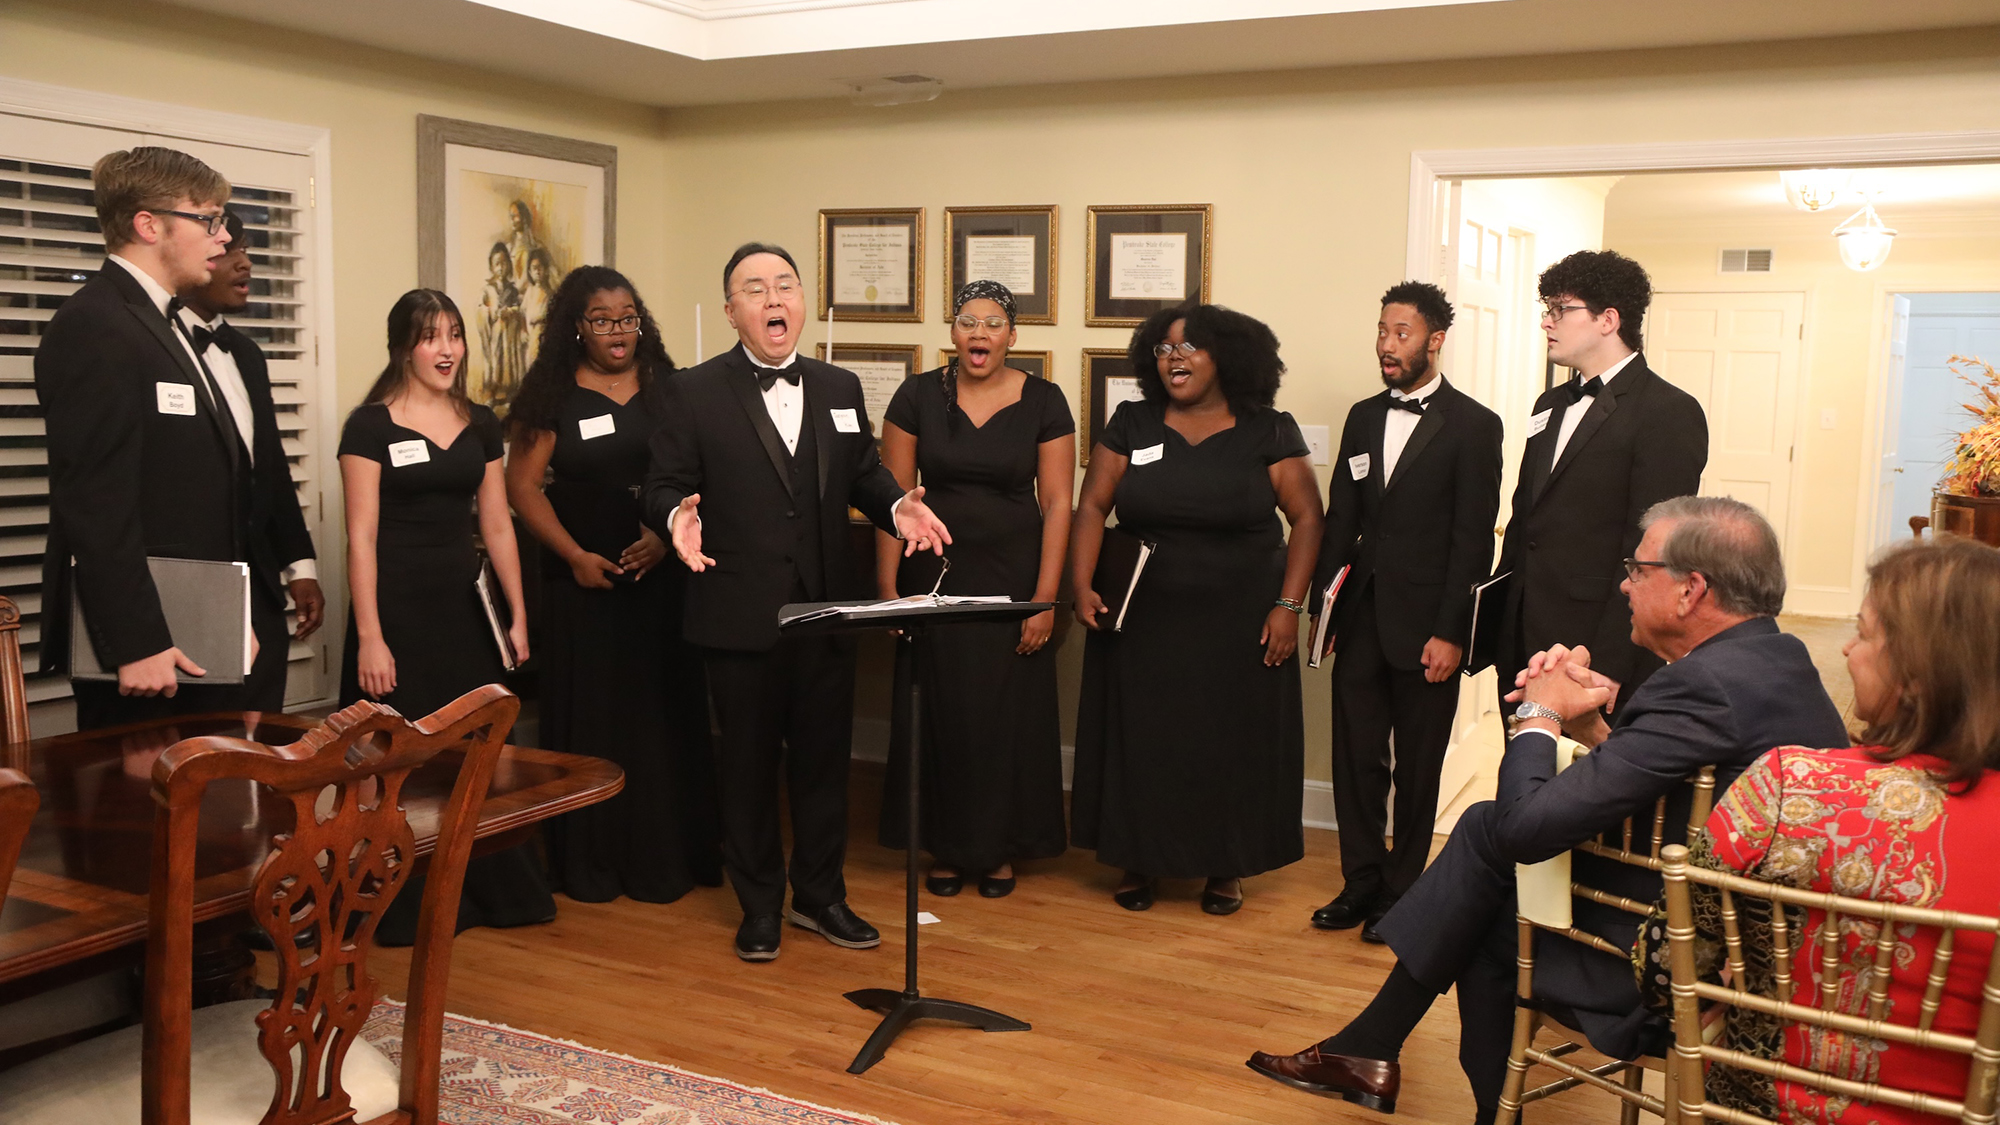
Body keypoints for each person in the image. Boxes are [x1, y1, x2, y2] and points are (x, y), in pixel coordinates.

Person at [1247, 496, 1848, 1125]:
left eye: (1638, 570)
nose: (1623, 583)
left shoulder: (1700, 687)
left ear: (1690, 590)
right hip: (1766, 947)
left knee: (1489, 883)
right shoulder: (1775, 663)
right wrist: (1592, 730)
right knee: (1487, 848)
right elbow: (1684, 793)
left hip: (1689, 972)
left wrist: (1540, 713)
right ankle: (1369, 1050)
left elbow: (1526, 830)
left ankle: (1396, 1064)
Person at [642, 242, 953, 961]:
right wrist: (672, 517)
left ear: (802, 301)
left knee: (822, 764)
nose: (774, 298)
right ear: (732, 311)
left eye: (785, 285)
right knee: (747, 769)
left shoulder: (840, 386)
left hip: (822, 615)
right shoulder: (691, 391)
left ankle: (821, 896)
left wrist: (895, 506)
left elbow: (862, 473)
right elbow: (661, 485)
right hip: (737, 613)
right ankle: (759, 906)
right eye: (755, 288)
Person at [1648, 535, 2000, 1125]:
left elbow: (1663, 966)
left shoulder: (1789, 784)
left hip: (1764, 1112)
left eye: (1863, 633)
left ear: (1914, 674)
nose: (1847, 651)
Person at [1069, 303, 1323, 915]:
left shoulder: (1268, 428)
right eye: (1163, 348)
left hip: (1240, 622)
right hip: (1143, 620)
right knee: (1145, 740)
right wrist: (1080, 584)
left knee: (1228, 743)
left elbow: (1309, 517)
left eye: (1190, 347)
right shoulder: (1131, 422)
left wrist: (1289, 605)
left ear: (1227, 357)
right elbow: (1091, 508)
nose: (1174, 357)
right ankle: (1139, 858)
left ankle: (1225, 863)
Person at [340, 288, 551, 946]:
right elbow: (360, 537)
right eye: (433, 336)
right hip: (396, 613)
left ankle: (489, 890)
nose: (448, 349)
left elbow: (498, 524)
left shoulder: (482, 422)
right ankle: (400, 901)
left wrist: (517, 616)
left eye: (455, 335)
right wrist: (370, 637)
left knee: (475, 752)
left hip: (466, 612)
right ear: (404, 346)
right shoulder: (368, 427)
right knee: (398, 759)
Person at [505, 266, 722, 904]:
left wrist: (668, 531)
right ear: (577, 327)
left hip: (662, 577)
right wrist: (573, 555)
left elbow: (701, 472)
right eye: (602, 320)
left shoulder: (669, 388)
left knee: (663, 714)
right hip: (585, 584)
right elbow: (521, 487)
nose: (618, 331)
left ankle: (666, 857)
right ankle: (591, 863)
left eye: (627, 317)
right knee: (594, 715)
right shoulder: (552, 396)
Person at [1311, 281, 1503, 942]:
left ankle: (1401, 891)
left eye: (1401, 334)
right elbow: (1342, 519)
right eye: (1383, 331)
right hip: (1361, 618)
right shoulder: (1363, 417)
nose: (1386, 345)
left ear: (1435, 339)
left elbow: (1472, 540)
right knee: (1357, 758)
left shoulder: (1476, 426)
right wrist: (1324, 610)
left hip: (1429, 628)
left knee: (1419, 769)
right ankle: (1359, 880)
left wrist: (1452, 631)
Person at [35, 146, 252, 730]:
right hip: (148, 650)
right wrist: (136, 642)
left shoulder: (167, 322)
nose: (223, 237)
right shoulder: (96, 324)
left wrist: (229, 619)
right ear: (149, 225)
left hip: (198, 626)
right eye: (208, 220)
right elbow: (96, 504)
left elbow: (190, 492)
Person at [875, 280, 1074, 899]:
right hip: (932, 576)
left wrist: (1042, 599)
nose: (979, 333)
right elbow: (893, 497)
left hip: (1015, 580)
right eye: (968, 321)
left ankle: (998, 850)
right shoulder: (916, 396)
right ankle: (947, 845)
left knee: (1004, 717)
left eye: (993, 323)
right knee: (942, 712)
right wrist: (886, 588)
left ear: (1013, 336)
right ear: (953, 333)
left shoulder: (1046, 400)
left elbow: (1060, 502)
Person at [1492, 250, 1707, 716]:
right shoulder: (1547, 405)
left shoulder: (1667, 412)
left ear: (1608, 320)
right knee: (1522, 777)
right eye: (1546, 310)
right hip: (1522, 640)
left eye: (1559, 310)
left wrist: (1613, 662)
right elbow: (1525, 517)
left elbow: (1654, 551)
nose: (1547, 323)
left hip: (1595, 643)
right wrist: (1496, 626)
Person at [175, 209, 325, 711]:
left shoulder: (247, 355)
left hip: (259, 592)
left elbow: (272, 471)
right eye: (229, 251)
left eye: (247, 252)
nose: (246, 265)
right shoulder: (152, 348)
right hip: (189, 591)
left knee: (264, 747)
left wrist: (300, 567)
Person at [477, 242, 526, 403]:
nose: (500, 268)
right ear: (492, 266)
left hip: (510, 333)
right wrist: (490, 312)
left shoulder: (512, 290)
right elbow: (482, 309)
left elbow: (518, 309)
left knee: (509, 361)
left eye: (504, 263)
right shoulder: (488, 289)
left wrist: (510, 312)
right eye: (497, 264)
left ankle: (510, 393)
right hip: (496, 333)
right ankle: (493, 393)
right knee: (496, 360)